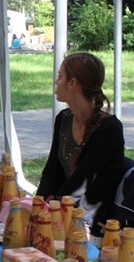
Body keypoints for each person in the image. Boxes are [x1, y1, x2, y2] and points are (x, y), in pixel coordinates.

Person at [36, 52, 125, 244]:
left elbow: (81, 182)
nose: (55, 81)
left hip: (94, 224)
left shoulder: (109, 128)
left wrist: (49, 210)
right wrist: (37, 206)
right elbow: (52, 171)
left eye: (60, 76)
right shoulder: (64, 119)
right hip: (65, 212)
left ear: (72, 83)